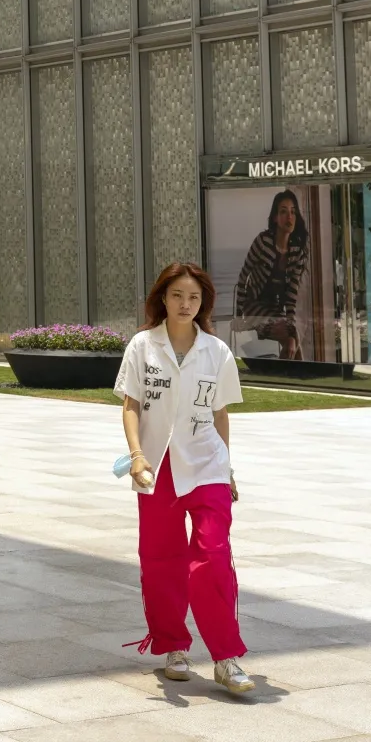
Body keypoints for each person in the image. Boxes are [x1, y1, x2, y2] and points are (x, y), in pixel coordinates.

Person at [118, 260, 253, 695]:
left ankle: (226, 658)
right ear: (163, 297)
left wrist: (227, 468)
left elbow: (220, 413)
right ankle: (174, 646)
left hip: (207, 464)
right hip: (157, 468)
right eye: (177, 295)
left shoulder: (217, 351)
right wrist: (137, 456)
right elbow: (130, 406)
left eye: (194, 297)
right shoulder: (142, 346)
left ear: (203, 303)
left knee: (213, 556)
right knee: (161, 560)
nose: (185, 304)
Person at [236, 190, 309, 360]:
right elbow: (243, 277)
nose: (289, 217)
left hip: (276, 311)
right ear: (275, 217)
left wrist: (290, 324)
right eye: (283, 211)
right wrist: (239, 316)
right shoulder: (263, 242)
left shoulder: (298, 251)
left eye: (293, 212)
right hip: (254, 307)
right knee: (291, 341)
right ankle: (288, 375)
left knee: (294, 339)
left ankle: (284, 374)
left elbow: (291, 295)